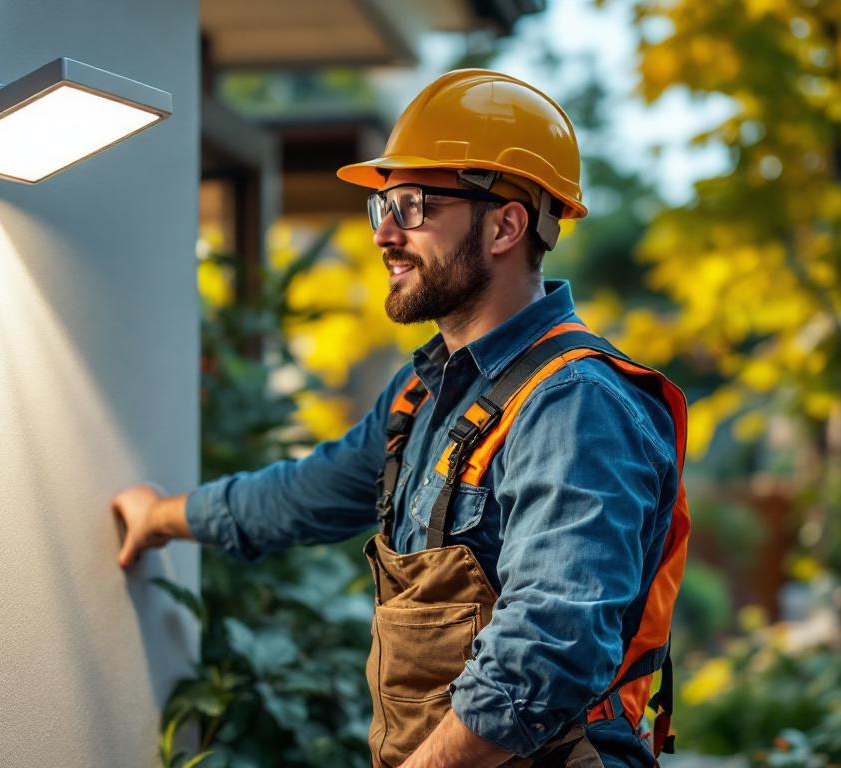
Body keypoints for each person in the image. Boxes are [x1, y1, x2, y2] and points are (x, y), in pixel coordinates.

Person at [112, 70, 690, 768]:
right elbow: (302, 496)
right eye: (383, 205)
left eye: (412, 205)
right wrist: (163, 517)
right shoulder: (421, 397)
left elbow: (549, 649)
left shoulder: (573, 404)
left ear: (506, 224)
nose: (385, 234)